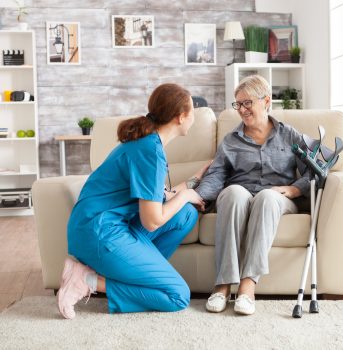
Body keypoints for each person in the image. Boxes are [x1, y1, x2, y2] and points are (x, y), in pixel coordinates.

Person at [57, 83, 210, 319]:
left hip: (106, 226)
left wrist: (195, 182)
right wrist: (186, 196)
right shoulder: (149, 151)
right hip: (98, 232)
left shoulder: (148, 143)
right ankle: (87, 280)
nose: (194, 117)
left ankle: (135, 274)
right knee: (177, 295)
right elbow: (152, 221)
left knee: (186, 214)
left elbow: (160, 194)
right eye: (193, 112)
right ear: (181, 117)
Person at [196, 75, 310, 316]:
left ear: (266, 101)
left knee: (267, 197)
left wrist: (294, 189)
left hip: (278, 198)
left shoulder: (289, 135)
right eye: (238, 104)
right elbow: (216, 175)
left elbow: (317, 168)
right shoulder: (230, 141)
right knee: (233, 193)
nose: (242, 110)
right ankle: (223, 285)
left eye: (248, 103)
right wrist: (199, 198)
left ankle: (248, 285)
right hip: (242, 194)